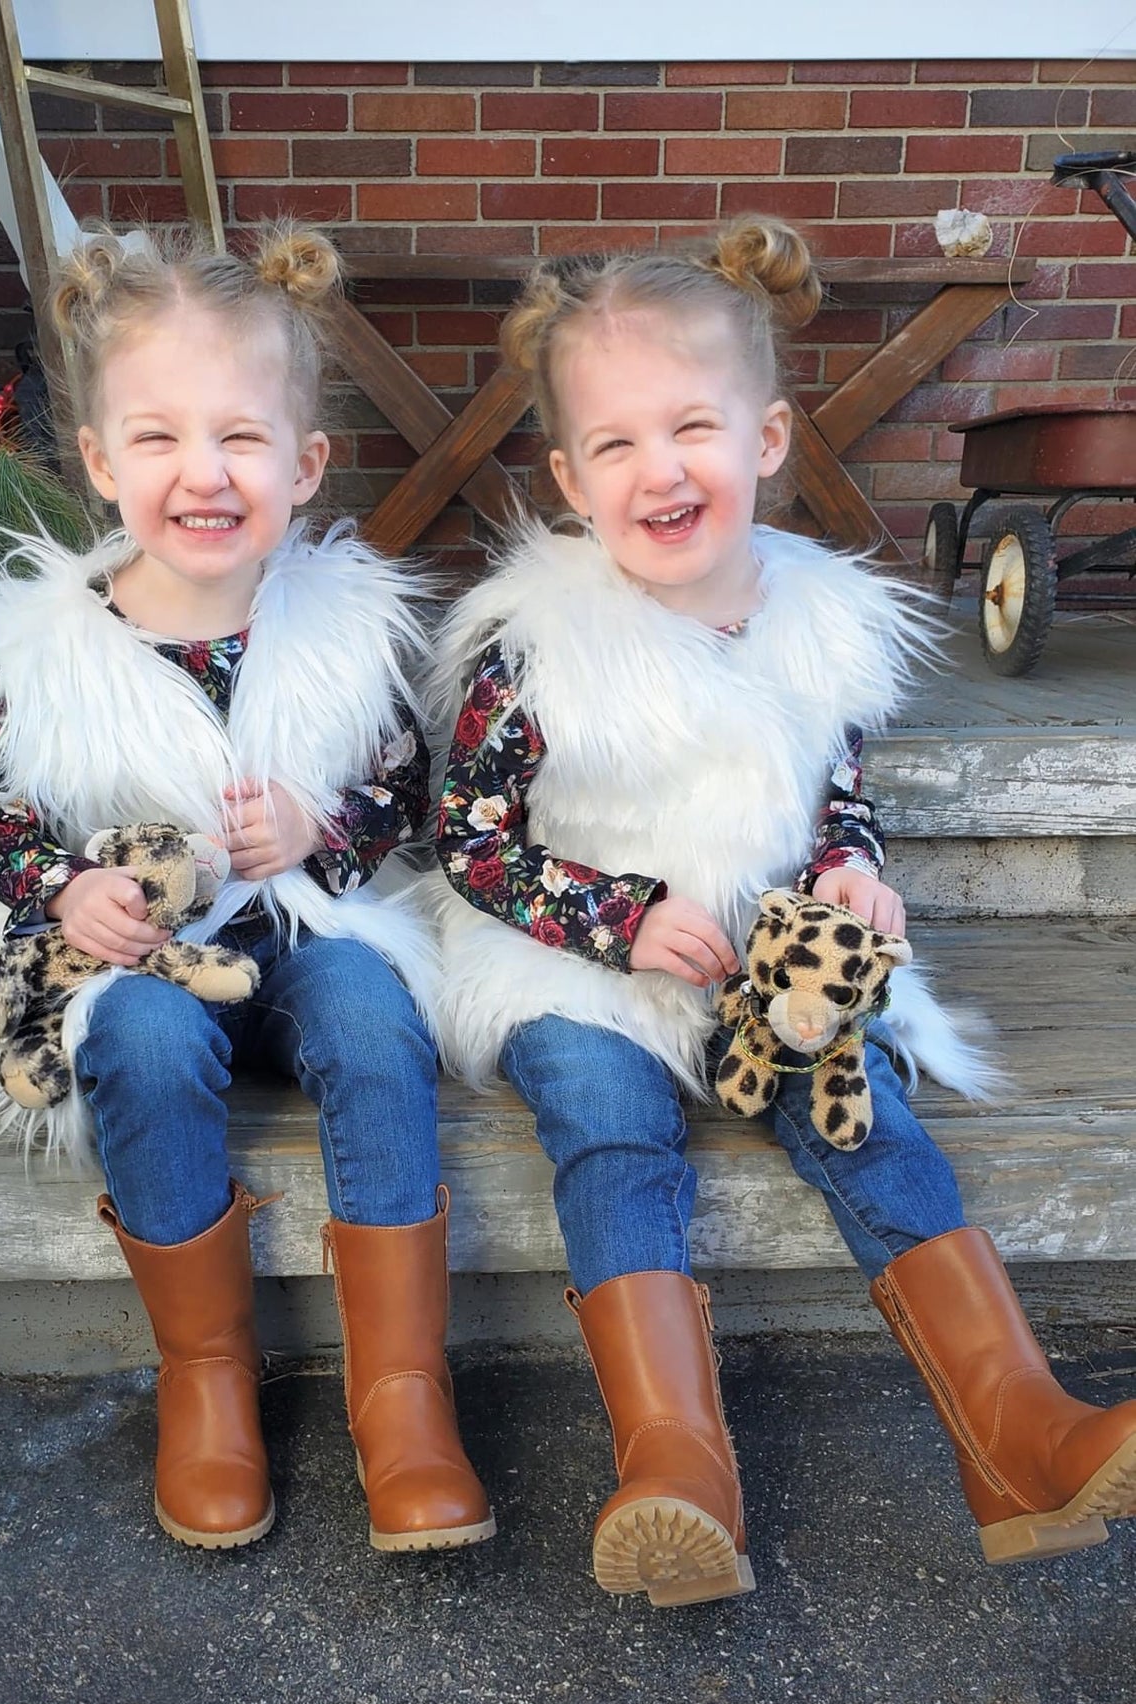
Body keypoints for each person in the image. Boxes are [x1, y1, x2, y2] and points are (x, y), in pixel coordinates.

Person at [429, 217, 1136, 1608]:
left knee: (864, 1105)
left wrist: (848, 873)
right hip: (575, 963)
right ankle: (674, 1463)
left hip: (767, 965)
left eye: (691, 427)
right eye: (616, 443)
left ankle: (1021, 1435)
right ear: (570, 478)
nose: (659, 469)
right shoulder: (538, 646)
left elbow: (835, 798)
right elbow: (470, 840)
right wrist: (619, 921)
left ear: (763, 439)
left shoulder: (819, 623)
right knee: (606, 1125)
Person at [0, 224, 493, 1558]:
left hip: (304, 928)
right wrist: (67, 890)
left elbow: (404, 795)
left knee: (372, 1021)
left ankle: (402, 1391)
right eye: (160, 438)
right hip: (145, 957)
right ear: (101, 462)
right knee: (136, 1037)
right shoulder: (42, 653)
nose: (204, 472)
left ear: (303, 465)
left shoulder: (344, 632)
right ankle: (208, 1376)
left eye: (242, 437)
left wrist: (316, 825)